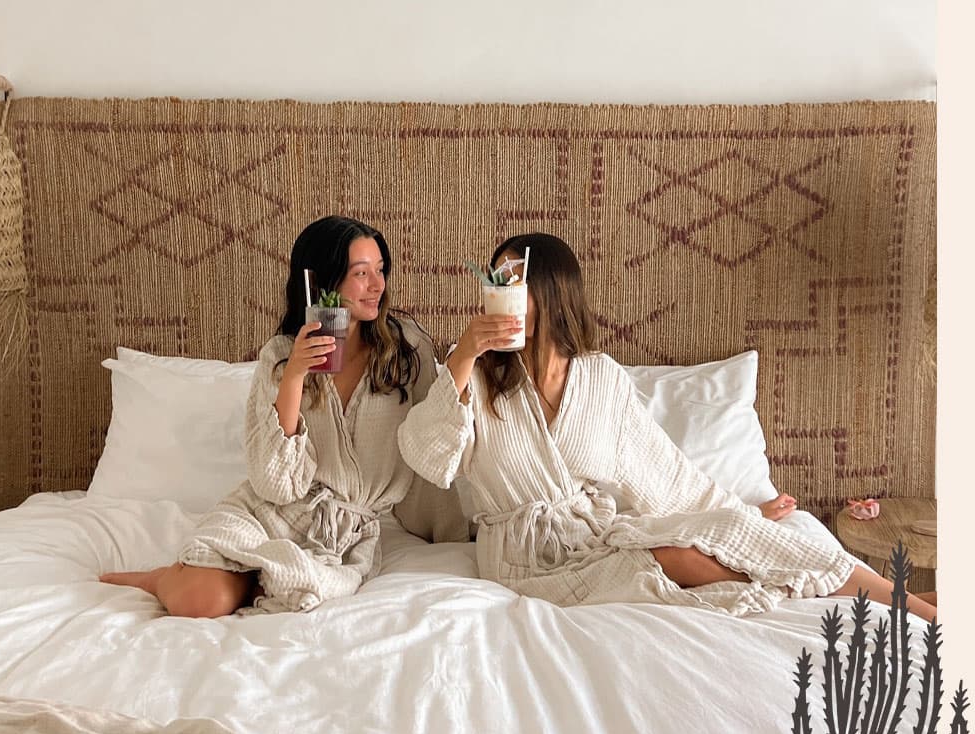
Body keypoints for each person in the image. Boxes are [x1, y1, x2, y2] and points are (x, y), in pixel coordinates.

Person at [397, 232, 938, 623]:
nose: (501, 292)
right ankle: (839, 596)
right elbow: (426, 456)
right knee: (680, 558)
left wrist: (744, 513)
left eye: (515, 281)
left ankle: (917, 608)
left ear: (553, 292)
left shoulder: (600, 378)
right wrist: (464, 353)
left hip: (594, 537)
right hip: (523, 558)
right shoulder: (477, 378)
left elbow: (663, 473)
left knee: (734, 534)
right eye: (496, 281)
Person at [101, 215, 467, 616]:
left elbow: (427, 446)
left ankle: (246, 578)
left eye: (380, 270)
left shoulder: (406, 350)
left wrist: (455, 532)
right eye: (361, 273)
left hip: (338, 538)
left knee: (284, 585)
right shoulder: (280, 354)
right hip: (267, 513)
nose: (377, 285)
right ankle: (163, 578)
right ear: (323, 284)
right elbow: (274, 485)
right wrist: (294, 375)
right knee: (200, 601)